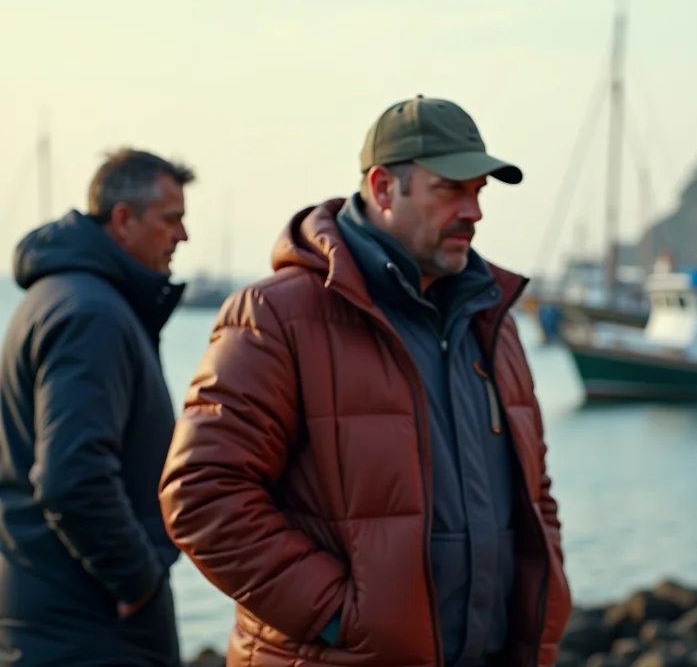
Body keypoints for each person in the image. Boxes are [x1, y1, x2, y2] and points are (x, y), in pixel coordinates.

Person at [159, 96, 571, 667]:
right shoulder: (276, 315)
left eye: (479, 191)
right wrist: (340, 617)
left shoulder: (493, 321)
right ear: (382, 188)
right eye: (450, 189)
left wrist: (546, 605)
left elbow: (534, 492)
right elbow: (202, 496)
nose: (474, 210)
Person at [0, 148, 194, 666]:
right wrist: (139, 580)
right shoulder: (91, 315)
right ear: (123, 220)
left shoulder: (68, 299)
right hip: (90, 628)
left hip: (59, 612)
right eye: (171, 219)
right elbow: (72, 475)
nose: (183, 236)